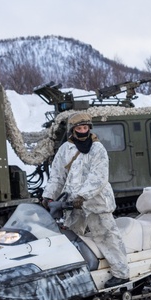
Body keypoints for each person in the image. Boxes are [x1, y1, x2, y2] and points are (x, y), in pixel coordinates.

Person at [42, 111, 131, 288]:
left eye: (85, 128)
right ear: (73, 130)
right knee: (71, 238)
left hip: (95, 201)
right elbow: (58, 176)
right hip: (72, 204)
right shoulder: (65, 150)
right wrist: (49, 195)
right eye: (79, 128)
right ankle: (76, 272)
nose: (83, 131)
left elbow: (98, 177)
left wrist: (83, 196)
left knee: (107, 236)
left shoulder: (97, 149)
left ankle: (121, 274)